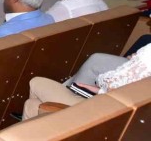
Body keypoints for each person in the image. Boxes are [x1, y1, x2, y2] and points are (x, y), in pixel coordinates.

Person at [22, 43, 151, 119]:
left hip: (106, 111)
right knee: (31, 105)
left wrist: (98, 90)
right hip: (119, 106)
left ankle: (60, 124)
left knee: (36, 82)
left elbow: (113, 85)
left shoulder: (147, 55)